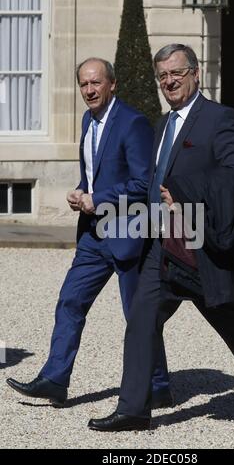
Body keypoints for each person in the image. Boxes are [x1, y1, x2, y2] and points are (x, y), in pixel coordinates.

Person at [87, 45, 234, 438]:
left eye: (176, 73)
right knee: (141, 319)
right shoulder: (163, 124)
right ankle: (134, 409)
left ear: (195, 74)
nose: (169, 81)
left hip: (202, 245)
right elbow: (152, 184)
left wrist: (184, 190)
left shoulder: (220, 119)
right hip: (160, 244)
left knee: (233, 324)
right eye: (163, 75)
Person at [6, 57, 172, 409]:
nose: (89, 90)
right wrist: (79, 192)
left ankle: (157, 385)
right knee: (70, 301)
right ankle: (54, 379)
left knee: (138, 316)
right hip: (93, 237)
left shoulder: (133, 123)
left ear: (112, 84)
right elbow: (95, 175)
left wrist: (100, 199)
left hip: (128, 233)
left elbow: (145, 183)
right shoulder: (87, 119)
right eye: (83, 84)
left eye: (96, 83)